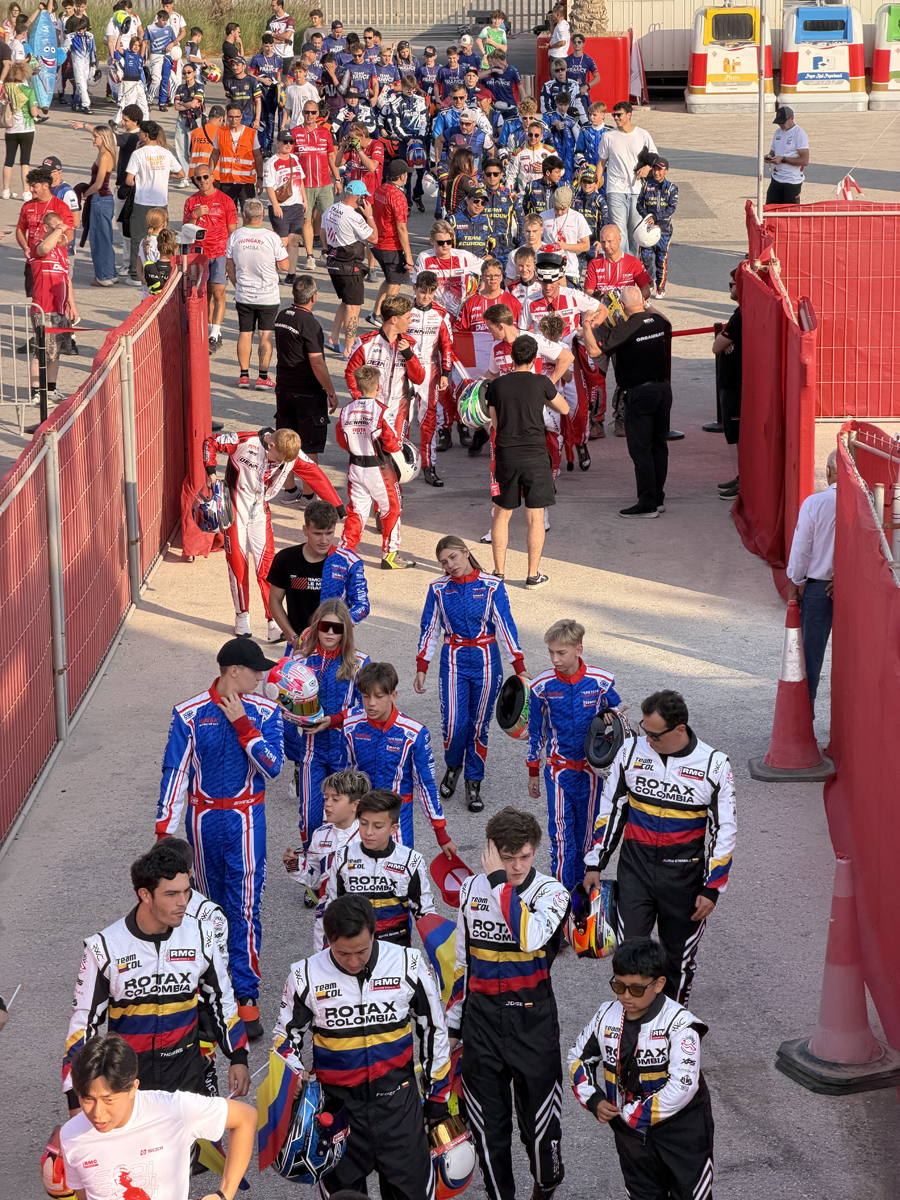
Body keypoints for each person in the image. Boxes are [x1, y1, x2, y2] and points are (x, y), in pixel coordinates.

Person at [273, 895, 451, 1199]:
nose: (354, 961)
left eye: (362, 951)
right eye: (343, 953)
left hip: (398, 1105)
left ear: (374, 933)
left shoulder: (408, 964)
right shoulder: (305, 976)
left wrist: (437, 1098)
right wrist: (294, 1072)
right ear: (328, 940)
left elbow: (434, 1029)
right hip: (338, 1112)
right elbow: (283, 1039)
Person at [156, 638, 284, 1036]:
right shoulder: (189, 713)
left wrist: (244, 725)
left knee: (244, 909)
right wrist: (164, 832)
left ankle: (246, 997)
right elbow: (175, 772)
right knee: (208, 911)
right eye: (254, 670)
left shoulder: (265, 711)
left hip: (247, 819)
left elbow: (273, 767)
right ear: (233, 671)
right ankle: (214, 994)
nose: (261, 676)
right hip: (203, 820)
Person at [62, 843, 249, 1105]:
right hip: (127, 1080)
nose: (183, 902)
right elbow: (83, 1024)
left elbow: (222, 1000)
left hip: (187, 1075)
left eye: (186, 891)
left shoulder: (202, 935)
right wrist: (75, 1095)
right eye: (171, 894)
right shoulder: (104, 947)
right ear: (145, 895)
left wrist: (238, 1056)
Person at [447, 807, 569, 1200]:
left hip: (533, 1024)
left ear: (535, 851)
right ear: (491, 851)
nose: (517, 866)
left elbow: (529, 937)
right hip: (482, 1022)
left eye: (525, 857)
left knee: (540, 1131)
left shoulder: (553, 893)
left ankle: (545, 1186)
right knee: (487, 1130)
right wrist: (453, 1028)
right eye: (507, 857)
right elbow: (463, 963)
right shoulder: (470, 889)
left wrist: (500, 883)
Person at [584, 689, 737, 1003]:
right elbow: (611, 810)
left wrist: (712, 888)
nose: (647, 740)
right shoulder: (630, 752)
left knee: (676, 961)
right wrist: (595, 863)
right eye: (644, 730)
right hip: (635, 872)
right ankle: (632, 1021)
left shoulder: (714, 765)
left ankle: (671, 1023)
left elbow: (724, 831)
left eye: (654, 735)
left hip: (683, 881)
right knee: (629, 955)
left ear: (679, 729)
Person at [568, 936, 714, 1200]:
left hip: (683, 1131)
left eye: (635, 989)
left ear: (658, 984)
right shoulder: (605, 1015)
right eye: (618, 986)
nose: (625, 996)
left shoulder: (681, 1024)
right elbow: (578, 1059)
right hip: (631, 1134)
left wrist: (632, 1115)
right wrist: (594, 1100)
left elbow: (683, 1086)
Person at [59, 1035, 256, 1200]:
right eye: (88, 1099)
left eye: (108, 1100)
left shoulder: (173, 1111)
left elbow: (245, 1118)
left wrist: (224, 1194)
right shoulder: (71, 1136)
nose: (97, 1112)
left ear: (133, 1088)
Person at [415, 535, 526, 812]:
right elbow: (430, 629)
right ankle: (454, 766)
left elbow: (505, 626)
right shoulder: (438, 589)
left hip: (487, 662)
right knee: (454, 724)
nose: (450, 565)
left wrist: (520, 668)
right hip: (452, 662)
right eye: (444, 562)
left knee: (478, 726)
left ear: (466, 552)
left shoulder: (492, 586)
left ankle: (473, 782)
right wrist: (422, 666)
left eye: (453, 557)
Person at [203, 426, 343, 638]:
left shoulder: (291, 453)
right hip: (234, 510)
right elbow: (210, 443)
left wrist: (338, 505)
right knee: (238, 564)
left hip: (260, 510)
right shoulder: (244, 441)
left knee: (267, 567)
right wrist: (211, 472)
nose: (279, 463)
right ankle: (241, 616)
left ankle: (273, 620)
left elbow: (314, 473)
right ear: (271, 445)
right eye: (278, 458)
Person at [526, 618, 621, 890]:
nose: (555, 659)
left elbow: (620, 720)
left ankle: (583, 895)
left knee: (588, 837)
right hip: (558, 771)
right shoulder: (541, 686)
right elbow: (535, 733)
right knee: (560, 837)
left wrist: (611, 717)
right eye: (551, 652)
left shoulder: (601, 682)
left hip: (592, 773)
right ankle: (560, 898)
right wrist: (533, 771)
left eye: (561, 652)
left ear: (579, 649)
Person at [339, 661, 457, 854]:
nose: (371, 703)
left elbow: (425, 785)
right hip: (361, 818)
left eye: (379, 696)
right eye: (366, 696)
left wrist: (441, 834)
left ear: (393, 695)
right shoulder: (350, 728)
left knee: (399, 870)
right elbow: (342, 779)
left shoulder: (414, 734)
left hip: (398, 820)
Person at [486, 333, 569, 587]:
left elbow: (495, 423)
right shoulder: (541, 382)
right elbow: (564, 409)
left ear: (512, 357)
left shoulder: (497, 386)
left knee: (501, 515)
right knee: (535, 517)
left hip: (506, 455)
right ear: (534, 359)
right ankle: (533, 575)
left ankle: (498, 573)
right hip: (535, 456)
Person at [582, 287, 672, 517]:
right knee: (658, 446)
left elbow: (594, 351)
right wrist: (647, 305)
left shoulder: (624, 330)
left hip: (639, 394)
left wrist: (587, 326)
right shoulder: (657, 322)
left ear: (621, 307)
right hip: (663, 390)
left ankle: (647, 504)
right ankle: (657, 498)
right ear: (642, 301)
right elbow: (667, 322)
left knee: (641, 451)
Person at [318, 788, 438, 948]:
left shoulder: (411, 861)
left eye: (378, 826)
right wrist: (327, 949)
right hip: (354, 950)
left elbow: (425, 913)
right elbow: (332, 907)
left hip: (396, 950)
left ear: (393, 829)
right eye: (363, 823)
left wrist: (437, 952)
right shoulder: (342, 858)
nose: (368, 832)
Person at [337, 362, 412, 569]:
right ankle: (390, 555)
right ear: (378, 386)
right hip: (379, 468)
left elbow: (341, 440)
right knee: (392, 509)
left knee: (357, 512)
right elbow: (391, 444)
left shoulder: (346, 410)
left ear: (358, 385)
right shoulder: (382, 411)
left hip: (355, 467)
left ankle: (345, 552)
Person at [268, 498, 369, 643]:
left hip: (336, 645)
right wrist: (293, 637)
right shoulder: (285, 558)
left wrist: (334, 628)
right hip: (299, 644)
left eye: (329, 533)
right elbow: (275, 601)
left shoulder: (349, 562)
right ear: (305, 530)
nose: (324, 540)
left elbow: (362, 606)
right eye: (317, 533)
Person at [273, 275, 342, 475]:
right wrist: (331, 392)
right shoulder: (310, 324)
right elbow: (317, 363)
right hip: (307, 394)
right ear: (313, 297)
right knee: (310, 446)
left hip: (284, 388)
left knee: (285, 442)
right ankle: (308, 490)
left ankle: (288, 488)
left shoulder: (282, 316)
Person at [787, 451, 837, 713]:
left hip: (819, 587)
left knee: (809, 658)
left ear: (827, 472)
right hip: (854, 588)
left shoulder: (815, 503)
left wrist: (794, 586)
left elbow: (801, 549)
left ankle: (804, 714)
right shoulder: (868, 502)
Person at [225, 198, 289, 389]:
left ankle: (244, 376)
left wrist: (238, 285)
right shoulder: (271, 237)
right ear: (263, 215)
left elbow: (229, 266)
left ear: (243, 215)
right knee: (265, 335)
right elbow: (284, 266)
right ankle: (262, 377)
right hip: (267, 296)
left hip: (244, 293)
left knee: (245, 333)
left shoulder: (235, 236)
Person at [344, 294, 425, 441]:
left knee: (396, 450)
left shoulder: (411, 345)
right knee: (373, 449)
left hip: (400, 409)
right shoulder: (365, 343)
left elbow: (419, 378)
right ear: (394, 319)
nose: (410, 321)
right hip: (371, 407)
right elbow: (351, 373)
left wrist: (409, 356)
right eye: (407, 317)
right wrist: (361, 399)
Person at [283, 767, 367, 908]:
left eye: (335, 799)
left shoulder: (368, 837)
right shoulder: (320, 834)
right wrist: (295, 865)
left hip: (361, 912)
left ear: (355, 805)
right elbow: (316, 879)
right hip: (327, 913)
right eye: (326, 798)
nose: (328, 804)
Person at [182, 163, 238, 353]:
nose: (202, 181)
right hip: (199, 255)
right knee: (203, 294)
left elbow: (233, 232)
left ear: (213, 178)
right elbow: (185, 229)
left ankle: (215, 333)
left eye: (205, 177)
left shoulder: (225, 200)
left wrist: (232, 260)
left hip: (221, 253)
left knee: (219, 293)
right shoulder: (191, 202)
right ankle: (206, 331)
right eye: (198, 178)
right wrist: (194, 215)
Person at [26, 212, 77, 405]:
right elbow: (46, 246)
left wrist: (72, 305)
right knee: (42, 351)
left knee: (56, 352)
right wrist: (58, 231)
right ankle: (36, 392)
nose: (62, 230)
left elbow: (66, 279)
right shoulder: (38, 247)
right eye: (57, 227)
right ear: (46, 228)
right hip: (43, 309)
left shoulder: (61, 252)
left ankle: (51, 389)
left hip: (60, 308)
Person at [125, 119, 184, 281]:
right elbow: (181, 173)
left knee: (138, 237)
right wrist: (164, 176)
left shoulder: (138, 154)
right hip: (161, 202)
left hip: (142, 201)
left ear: (145, 135)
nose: (139, 135)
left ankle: (136, 272)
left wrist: (140, 181)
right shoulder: (166, 153)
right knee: (163, 238)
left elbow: (129, 180)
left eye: (140, 132)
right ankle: (162, 269)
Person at [599, 102, 657, 255]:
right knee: (619, 230)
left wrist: (647, 168)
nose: (616, 118)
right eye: (614, 115)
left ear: (629, 115)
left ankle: (632, 264)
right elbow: (601, 162)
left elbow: (655, 158)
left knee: (634, 230)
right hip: (615, 189)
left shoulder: (643, 134)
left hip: (637, 190)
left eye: (619, 115)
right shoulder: (608, 136)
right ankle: (622, 262)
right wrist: (596, 183)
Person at [291, 98, 340, 273]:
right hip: (303, 186)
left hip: (324, 184)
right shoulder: (295, 132)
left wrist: (337, 179)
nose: (310, 115)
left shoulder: (325, 132)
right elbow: (289, 159)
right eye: (307, 112)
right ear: (302, 113)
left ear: (318, 114)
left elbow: (332, 158)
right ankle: (310, 256)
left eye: (313, 112)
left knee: (329, 220)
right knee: (306, 220)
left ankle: (326, 252)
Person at [369, 158, 413, 325]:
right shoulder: (398, 196)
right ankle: (387, 320)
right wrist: (408, 256)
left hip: (378, 243)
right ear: (401, 176)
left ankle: (376, 313)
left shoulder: (380, 189)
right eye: (406, 174)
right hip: (391, 246)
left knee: (389, 280)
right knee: (394, 286)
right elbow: (402, 229)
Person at [412, 220, 482, 321]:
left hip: (460, 313)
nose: (445, 245)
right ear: (431, 241)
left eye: (449, 242)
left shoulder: (463, 256)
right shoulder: (424, 257)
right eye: (440, 242)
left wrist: (479, 295)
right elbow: (416, 288)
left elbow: (490, 269)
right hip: (435, 314)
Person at [263, 129, 307, 281]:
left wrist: (304, 200)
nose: (289, 145)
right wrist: (275, 206)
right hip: (281, 206)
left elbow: (300, 180)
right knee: (282, 242)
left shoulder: (294, 158)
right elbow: (269, 186)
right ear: (278, 143)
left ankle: (291, 274)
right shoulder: (271, 163)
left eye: (291, 142)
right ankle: (272, 271)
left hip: (296, 205)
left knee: (294, 241)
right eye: (285, 142)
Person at [713, 268, 741, 498]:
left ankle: (744, 481)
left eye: (732, 284)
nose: (729, 288)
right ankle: (741, 477)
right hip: (730, 383)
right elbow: (720, 343)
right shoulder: (739, 313)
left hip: (734, 385)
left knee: (738, 436)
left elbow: (716, 346)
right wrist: (724, 340)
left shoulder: (739, 316)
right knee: (735, 435)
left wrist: (724, 341)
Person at [208, 103, 263, 208]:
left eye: (237, 117)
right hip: (226, 182)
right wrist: (210, 175)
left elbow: (258, 157)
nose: (234, 120)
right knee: (228, 213)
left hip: (246, 183)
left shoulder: (251, 133)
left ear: (241, 116)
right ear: (226, 117)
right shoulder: (220, 132)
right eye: (231, 117)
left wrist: (260, 178)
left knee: (248, 213)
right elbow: (214, 155)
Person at [636, 157, 677, 297]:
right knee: (645, 258)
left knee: (661, 259)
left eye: (660, 170)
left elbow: (672, 208)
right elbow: (639, 204)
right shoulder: (646, 186)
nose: (657, 172)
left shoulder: (672, 188)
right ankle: (649, 283)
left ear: (666, 171)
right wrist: (647, 217)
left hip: (664, 230)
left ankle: (661, 287)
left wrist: (656, 217)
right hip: (647, 229)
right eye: (654, 169)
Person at [83, 124, 117, 286]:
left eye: (95, 136)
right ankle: (110, 272)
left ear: (103, 138)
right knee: (104, 236)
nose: (92, 138)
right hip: (103, 199)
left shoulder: (105, 156)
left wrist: (85, 193)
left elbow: (98, 184)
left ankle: (104, 276)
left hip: (100, 198)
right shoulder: (104, 154)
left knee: (99, 238)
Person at [2, 61, 39, 199]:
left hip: (10, 128)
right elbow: (34, 112)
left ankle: (5, 190)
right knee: (25, 161)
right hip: (26, 129)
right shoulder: (28, 91)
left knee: (9, 160)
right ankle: (26, 192)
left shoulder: (6, 89)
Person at [765, 106, 809, 205]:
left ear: (792, 118)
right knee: (770, 209)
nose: (780, 124)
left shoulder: (799, 134)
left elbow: (804, 160)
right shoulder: (778, 132)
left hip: (792, 180)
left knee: (790, 210)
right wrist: (769, 157)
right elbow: (773, 152)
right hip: (777, 178)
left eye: (783, 122)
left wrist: (783, 159)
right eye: (778, 122)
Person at [173, 59, 204, 181]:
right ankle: (185, 177)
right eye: (184, 73)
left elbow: (194, 104)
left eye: (189, 72)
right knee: (181, 150)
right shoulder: (180, 88)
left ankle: (196, 174)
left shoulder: (199, 87)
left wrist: (183, 103)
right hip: (182, 120)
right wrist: (188, 104)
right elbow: (176, 106)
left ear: (194, 73)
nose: (186, 75)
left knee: (195, 150)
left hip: (195, 120)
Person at [142, 8, 175, 106]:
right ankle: (148, 100)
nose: (165, 22)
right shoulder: (150, 28)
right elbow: (144, 42)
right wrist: (141, 57)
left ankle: (162, 102)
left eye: (166, 20)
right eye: (163, 20)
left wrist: (172, 44)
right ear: (158, 18)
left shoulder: (169, 29)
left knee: (166, 78)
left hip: (166, 55)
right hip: (155, 55)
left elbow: (175, 41)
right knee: (156, 79)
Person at [266, 0, 294, 73]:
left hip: (287, 55)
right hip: (274, 54)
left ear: (280, 6)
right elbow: (268, 39)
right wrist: (281, 41)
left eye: (273, 6)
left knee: (287, 78)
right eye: (271, 5)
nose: (271, 7)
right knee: (274, 77)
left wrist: (273, 34)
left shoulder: (289, 19)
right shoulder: (270, 20)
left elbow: (287, 36)